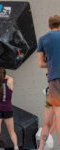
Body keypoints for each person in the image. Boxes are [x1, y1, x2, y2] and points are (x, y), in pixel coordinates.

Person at [37, 15, 60, 149]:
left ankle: (40, 148)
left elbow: (40, 64)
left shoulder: (43, 39)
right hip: (54, 83)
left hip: (52, 83)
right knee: (57, 114)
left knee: (47, 121)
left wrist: (50, 62)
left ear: (49, 25)